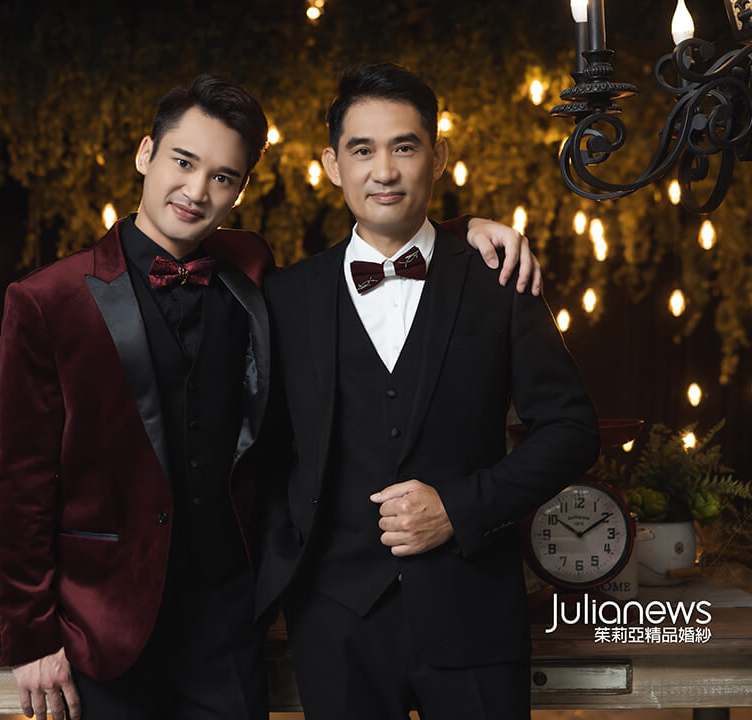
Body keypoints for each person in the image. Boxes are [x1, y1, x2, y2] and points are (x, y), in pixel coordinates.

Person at [0, 73, 541, 720]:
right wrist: (30, 635)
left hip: (229, 619)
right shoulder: (47, 299)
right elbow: (14, 482)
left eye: (222, 176)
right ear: (145, 153)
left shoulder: (249, 270)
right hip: (101, 623)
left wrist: (464, 231)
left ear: (240, 190)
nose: (197, 191)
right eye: (183, 162)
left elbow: (392, 237)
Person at [256, 63, 601, 720]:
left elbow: (572, 431)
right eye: (362, 150)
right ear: (331, 165)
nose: (384, 171)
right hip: (335, 626)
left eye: (405, 147)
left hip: (476, 615)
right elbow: (265, 456)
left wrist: (460, 507)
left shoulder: (499, 279)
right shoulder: (284, 296)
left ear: (438, 157)